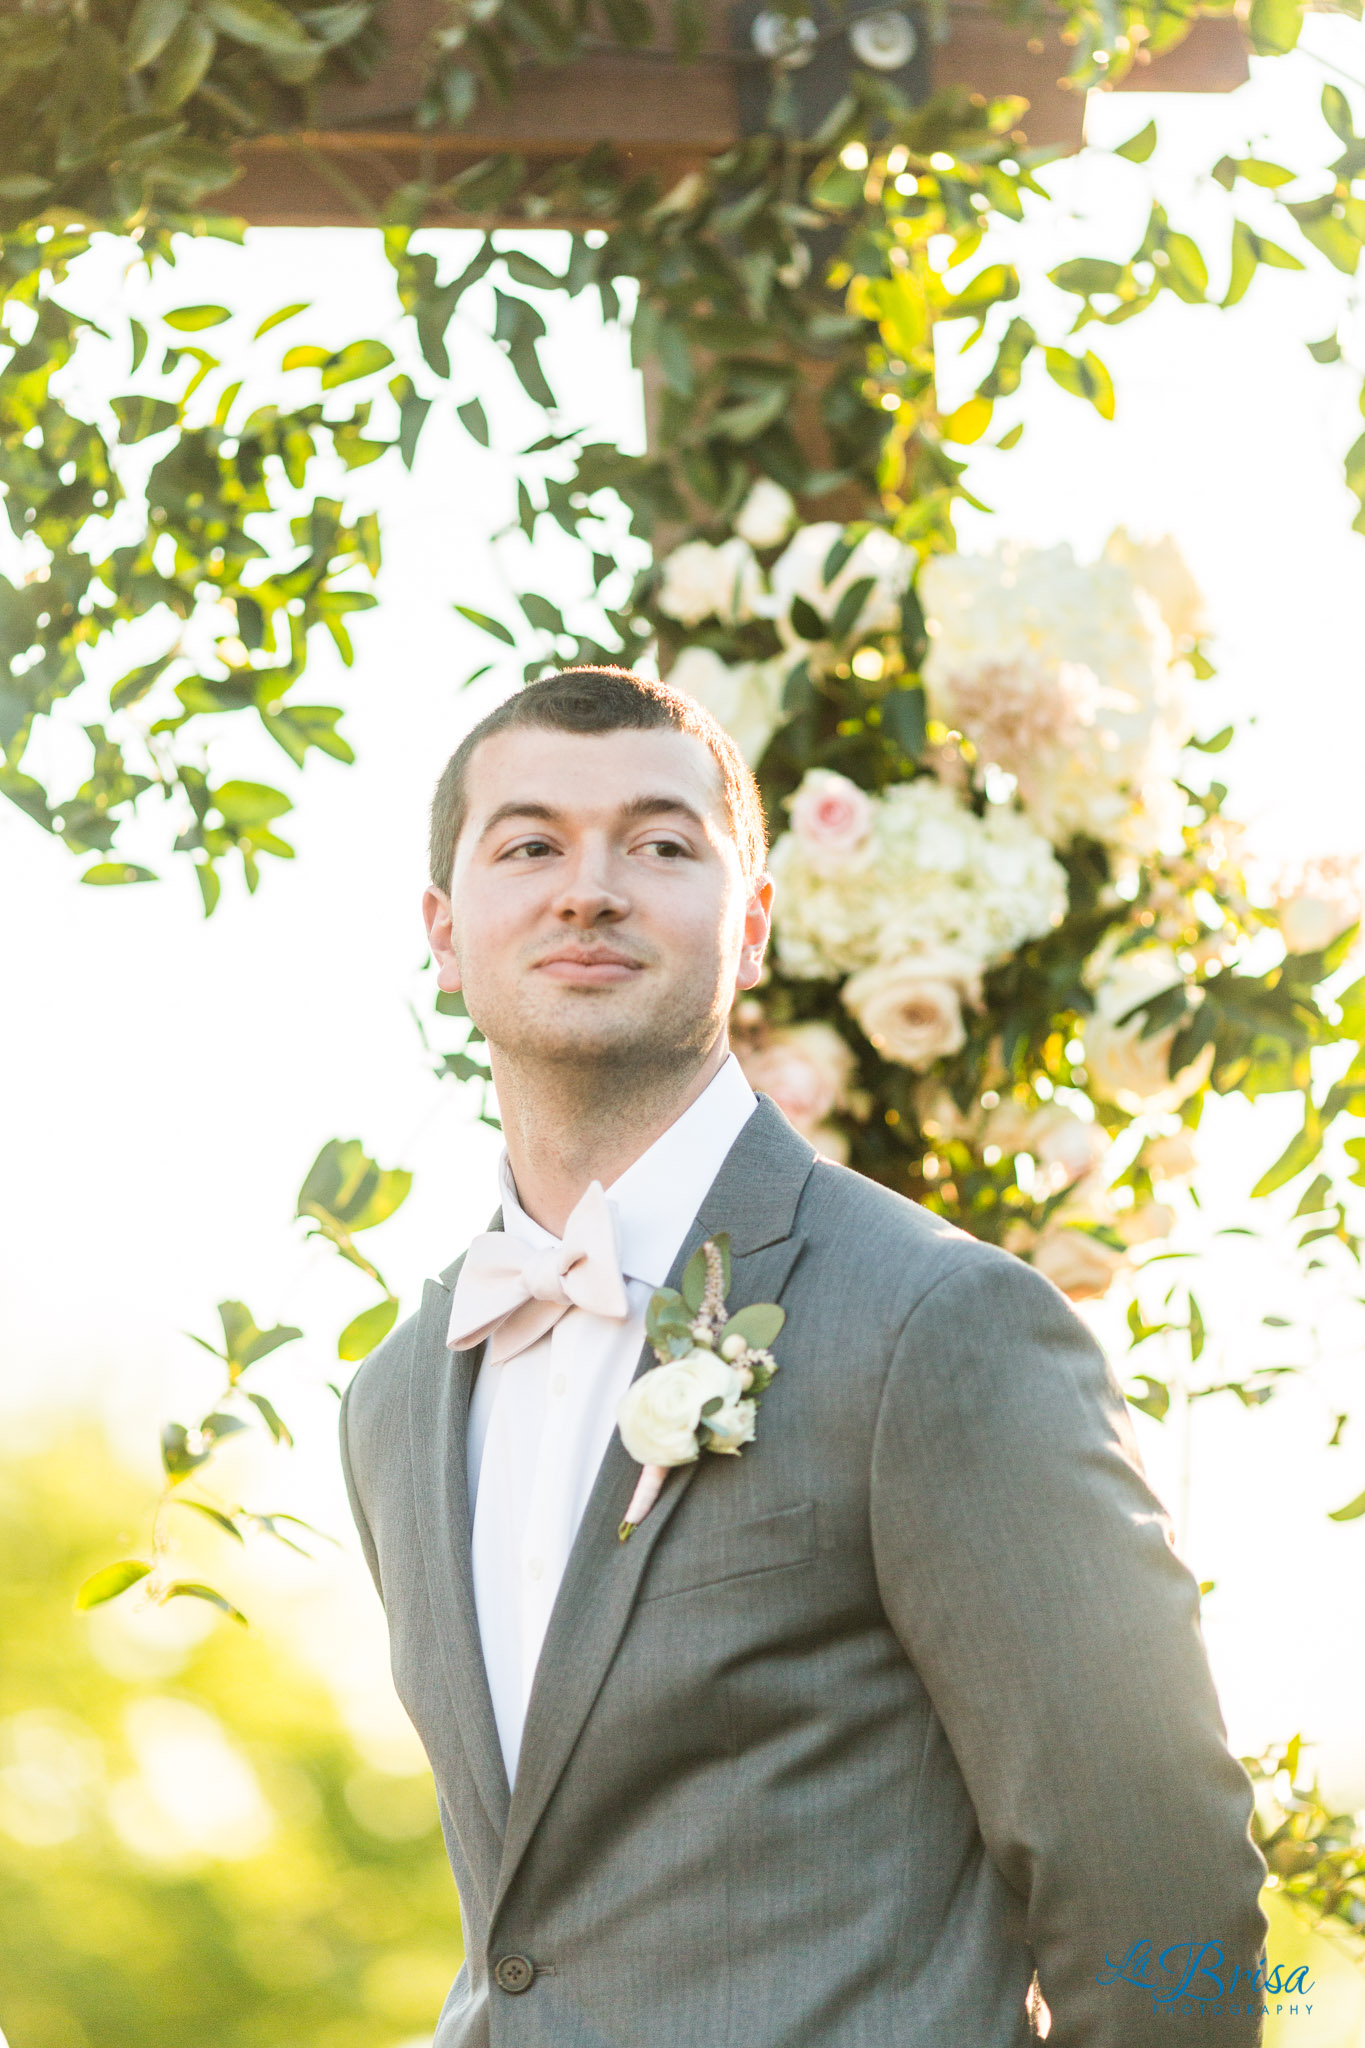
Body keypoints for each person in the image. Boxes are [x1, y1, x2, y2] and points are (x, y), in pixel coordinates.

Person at [339, 665, 1267, 2048]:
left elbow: (1165, 1901)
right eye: (528, 844)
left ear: (753, 926)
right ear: (444, 929)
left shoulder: (936, 1324)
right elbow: (531, 1938)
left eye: (660, 846)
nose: (587, 889)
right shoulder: (399, 1395)